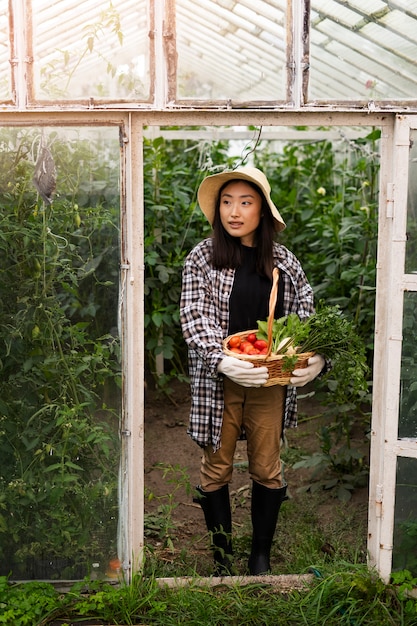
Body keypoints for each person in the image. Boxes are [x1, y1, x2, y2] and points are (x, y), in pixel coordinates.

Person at [179, 166, 325, 576]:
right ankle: (222, 560)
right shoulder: (202, 258)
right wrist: (222, 358)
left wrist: (315, 356)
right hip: (218, 381)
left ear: (263, 210)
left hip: (268, 378)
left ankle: (259, 557)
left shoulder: (283, 262)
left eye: (246, 202)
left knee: (267, 466)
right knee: (217, 466)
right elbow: (194, 316)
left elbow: (306, 314)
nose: (234, 211)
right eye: (226, 202)